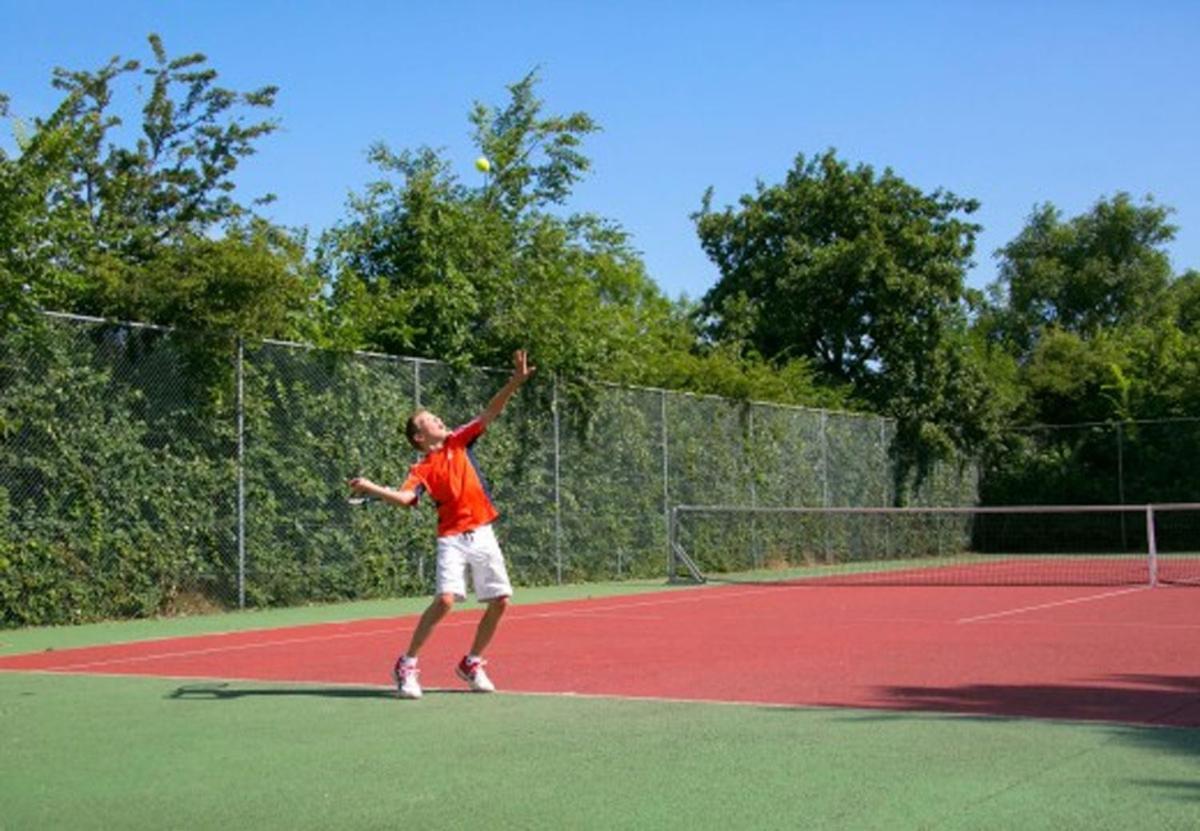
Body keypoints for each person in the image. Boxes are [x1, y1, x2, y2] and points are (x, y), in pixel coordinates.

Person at [349, 349, 535, 699]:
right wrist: (372, 487)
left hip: (482, 531)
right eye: (430, 420)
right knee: (447, 600)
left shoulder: (458, 441)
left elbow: (490, 412)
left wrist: (514, 381)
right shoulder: (421, 469)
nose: (438, 420)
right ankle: (407, 664)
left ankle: (472, 662)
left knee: (501, 601)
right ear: (420, 437)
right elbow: (406, 500)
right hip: (451, 538)